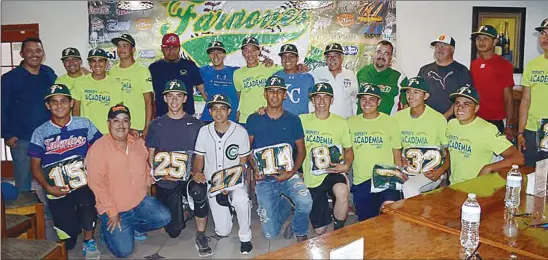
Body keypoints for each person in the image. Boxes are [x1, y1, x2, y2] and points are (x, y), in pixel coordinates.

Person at [86, 104, 171, 258]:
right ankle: (107, 231)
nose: (121, 125)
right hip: (115, 209)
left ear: (130, 124)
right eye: (116, 121)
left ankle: (132, 227)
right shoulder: (98, 149)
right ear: (108, 123)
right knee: (124, 251)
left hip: (139, 202)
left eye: (125, 121)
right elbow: (97, 184)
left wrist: (158, 177)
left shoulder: (138, 143)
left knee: (164, 217)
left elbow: (146, 169)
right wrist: (112, 212)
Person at [28, 84, 102, 259]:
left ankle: (89, 240)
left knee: (86, 202)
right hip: (56, 188)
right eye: (54, 102)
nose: (59, 105)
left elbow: (101, 148)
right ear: (48, 106)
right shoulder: (40, 132)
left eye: (63, 101)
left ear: (71, 103)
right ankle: (71, 224)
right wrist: (47, 187)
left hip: (82, 183)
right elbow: (35, 166)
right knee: (68, 241)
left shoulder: (84, 124)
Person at [246, 75, 312, 242]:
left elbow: (302, 151)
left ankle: (299, 229)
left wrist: (291, 173)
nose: (274, 95)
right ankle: (284, 204)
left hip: (288, 175)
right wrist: (254, 169)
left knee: (305, 202)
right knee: (270, 234)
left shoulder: (293, 120)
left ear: (285, 95)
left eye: (279, 91)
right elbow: (246, 150)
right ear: (265, 94)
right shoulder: (254, 119)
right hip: (264, 179)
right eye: (270, 91)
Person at [191, 93, 253, 255]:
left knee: (241, 199)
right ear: (209, 111)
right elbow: (199, 157)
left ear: (229, 111)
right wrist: (197, 171)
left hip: (235, 181)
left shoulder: (240, 132)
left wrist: (232, 184)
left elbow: (243, 163)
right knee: (223, 231)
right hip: (214, 184)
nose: (219, 113)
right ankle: (230, 209)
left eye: (223, 109)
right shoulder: (204, 131)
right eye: (214, 109)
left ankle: (245, 237)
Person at [145, 80, 202, 243]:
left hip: (189, 176)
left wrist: (195, 172)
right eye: (170, 96)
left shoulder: (196, 124)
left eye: (179, 96)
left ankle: (190, 205)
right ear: (164, 98)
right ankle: (183, 210)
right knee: (174, 231)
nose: (174, 100)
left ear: (185, 98)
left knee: (199, 189)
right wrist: (159, 175)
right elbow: (150, 155)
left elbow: (201, 156)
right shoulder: (156, 124)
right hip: (167, 179)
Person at [1, 37, 57, 192]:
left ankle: (49, 212)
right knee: (23, 179)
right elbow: (2, 108)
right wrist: (8, 134)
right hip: (21, 138)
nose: (34, 54)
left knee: (51, 176)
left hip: (48, 137)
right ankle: (27, 213)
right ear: (22, 54)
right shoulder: (9, 78)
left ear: (43, 53)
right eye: (29, 51)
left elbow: (57, 99)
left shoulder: (49, 74)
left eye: (38, 50)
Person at [300, 82, 353, 235]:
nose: (321, 101)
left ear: (332, 100)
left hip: (332, 171)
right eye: (318, 97)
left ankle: (338, 230)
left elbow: (349, 150)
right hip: (312, 176)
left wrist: (346, 165)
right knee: (320, 230)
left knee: (342, 191)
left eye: (326, 97)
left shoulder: (340, 122)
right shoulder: (302, 120)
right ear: (312, 100)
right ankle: (325, 214)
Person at [347, 83, 402, 221]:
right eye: (363, 99)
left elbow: (397, 152)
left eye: (372, 99)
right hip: (361, 180)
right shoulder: (350, 122)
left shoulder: (391, 122)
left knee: (388, 211)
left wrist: (400, 177)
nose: (367, 103)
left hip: (386, 177)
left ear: (379, 102)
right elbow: (346, 150)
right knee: (368, 223)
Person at [447, 85, 524, 184]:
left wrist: (488, 168)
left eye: (466, 104)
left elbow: (518, 158)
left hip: (477, 186)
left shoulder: (487, 129)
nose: (460, 108)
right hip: (453, 185)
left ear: (476, 108)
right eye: (457, 103)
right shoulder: (451, 124)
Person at [395, 77, 450, 198]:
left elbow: (449, 152)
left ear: (425, 96)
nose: (411, 96)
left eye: (416, 92)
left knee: (410, 187)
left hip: (430, 171)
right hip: (407, 169)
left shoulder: (438, 119)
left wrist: (441, 171)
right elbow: (394, 147)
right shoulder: (398, 117)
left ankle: (411, 217)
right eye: (408, 92)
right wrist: (399, 159)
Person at [470, 25, 515, 137]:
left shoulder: (505, 65)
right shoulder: (474, 64)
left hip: (497, 121)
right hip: (476, 119)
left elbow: (508, 97)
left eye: (486, 38)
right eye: (479, 38)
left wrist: (509, 125)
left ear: (495, 42)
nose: (481, 42)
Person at [149, 33, 206, 118]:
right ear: (162, 48)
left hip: (187, 116)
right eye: (167, 48)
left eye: (174, 48)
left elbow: (203, 91)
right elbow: (148, 97)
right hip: (162, 117)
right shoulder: (154, 68)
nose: (171, 51)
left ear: (179, 48)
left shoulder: (190, 66)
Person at [418, 34, 473, 119]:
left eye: (444, 46)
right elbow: (418, 94)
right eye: (437, 46)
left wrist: (444, 117)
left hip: (451, 121)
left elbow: (463, 98)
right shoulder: (424, 70)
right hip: (427, 120)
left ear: (452, 49)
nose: (439, 49)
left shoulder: (462, 71)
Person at [517, 18, 548, 166]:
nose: (545, 38)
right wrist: (520, 132)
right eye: (543, 33)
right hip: (531, 130)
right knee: (530, 171)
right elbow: (525, 100)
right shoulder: (531, 65)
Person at [110, 34, 154, 136]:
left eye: (125, 46)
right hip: (118, 127)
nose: (121, 49)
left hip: (138, 127)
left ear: (133, 49)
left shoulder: (142, 71)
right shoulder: (112, 71)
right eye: (119, 46)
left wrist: (147, 127)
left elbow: (149, 102)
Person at [72, 48, 123, 134]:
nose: (97, 64)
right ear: (89, 64)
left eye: (100, 61)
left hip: (108, 133)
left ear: (106, 63)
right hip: (87, 132)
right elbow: (76, 110)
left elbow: (118, 111)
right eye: (93, 61)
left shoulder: (115, 84)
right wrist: (77, 130)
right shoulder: (79, 82)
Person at [234, 37, 282, 124]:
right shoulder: (237, 73)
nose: (250, 54)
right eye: (246, 50)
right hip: (245, 118)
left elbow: (288, 69)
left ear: (259, 52)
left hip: (265, 116)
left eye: (253, 50)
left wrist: (300, 67)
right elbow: (239, 95)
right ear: (243, 53)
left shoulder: (268, 66)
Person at [356, 40, 408, 115]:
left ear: (391, 57)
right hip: (362, 123)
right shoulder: (362, 72)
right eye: (379, 52)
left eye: (386, 54)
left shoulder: (399, 76)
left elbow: (406, 104)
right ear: (374, 54)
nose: (381, 56)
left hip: (387, 124)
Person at [311, 43, 358, 119]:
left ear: (341, 57)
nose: (331, 59)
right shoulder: (317, 73)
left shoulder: (351, 75)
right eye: (328, 56)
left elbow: (355, 99)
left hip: (345, 122)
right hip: (323, 121)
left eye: (335, 56)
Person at [199, 41, 239, 123]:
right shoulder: (203, 71)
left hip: (231, 119)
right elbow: (185, 71)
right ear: (209, 56)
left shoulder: (236, 71)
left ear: (224, 55)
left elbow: (254, 71)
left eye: (219, 53)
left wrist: (266, 64)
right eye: (212, 53)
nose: (215, 56)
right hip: (209, 119)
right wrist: (203, 93)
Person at [274, 44, 315, 116]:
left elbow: (315, 99)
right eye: (284, 57)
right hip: (280, 120)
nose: (287, 59)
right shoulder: (276, 77)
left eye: (291, 56)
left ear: (297, 58)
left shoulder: (308, 78)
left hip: (301, 121)